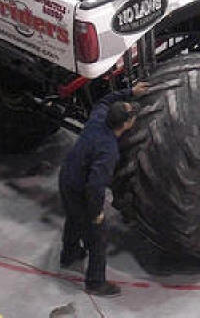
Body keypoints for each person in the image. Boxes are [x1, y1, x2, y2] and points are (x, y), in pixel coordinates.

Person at [58, 82, 148, 296]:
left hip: (66, 178)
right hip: (82, 189)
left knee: (73, 218)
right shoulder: (108, 149)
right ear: (126, 125)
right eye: (131, 115)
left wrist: (130, 92)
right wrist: (97, 213)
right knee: (97, 238)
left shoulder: (98, 118)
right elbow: (96, 185)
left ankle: (69, 255)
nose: (133, 115)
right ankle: (96, 283)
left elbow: (104, 101)